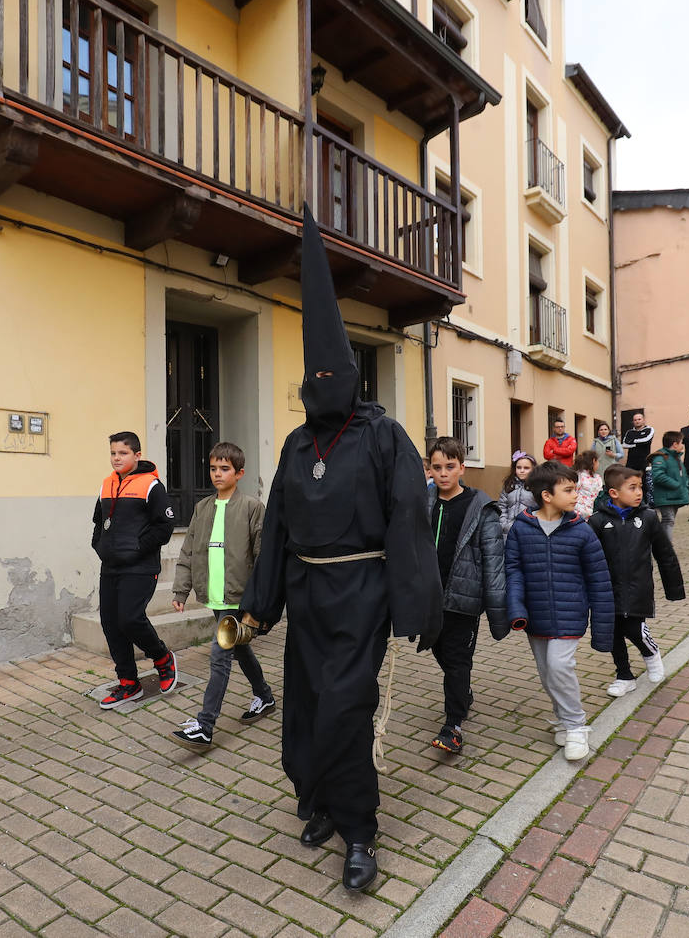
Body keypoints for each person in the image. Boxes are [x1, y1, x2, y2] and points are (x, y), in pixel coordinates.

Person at [239, 207, 442, 892]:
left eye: (333, 376)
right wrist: (258, 607)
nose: (321, 388)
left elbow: (410, 517)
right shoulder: (297, 445)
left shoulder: (384, 437)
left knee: (346, 710)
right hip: (307, 595)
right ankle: (319, 798)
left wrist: (414, 603)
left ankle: (360, 830)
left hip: (363, 595)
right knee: (303, 706)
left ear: (352, 376)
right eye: (312, 379)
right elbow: (279, 530)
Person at [505, 462, 615, 762]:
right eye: (568, 490)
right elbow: (513, 571)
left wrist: (603, 629)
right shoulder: (521, 528)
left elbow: (600, 581)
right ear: (547, 495)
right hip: (536, 616)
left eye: (575, 488)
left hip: (570, 614)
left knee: (558, 666)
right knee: (547, 673)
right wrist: (515, 607)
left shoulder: (582, 531)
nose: (575, 495)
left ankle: (577, 726)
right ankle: (562, 719)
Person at [169, 442, 273, 750]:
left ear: (239, 473)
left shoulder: (252, 507)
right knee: (239, 651)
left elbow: (261, 554)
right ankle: (265, 697)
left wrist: (259, 601)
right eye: (213, 468)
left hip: (239, 598)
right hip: (215, 596)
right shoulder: (203, 508)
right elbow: (189, 551)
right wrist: (181, 589)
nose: (217, 474)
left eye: (224, 469)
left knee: (219, 658)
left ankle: (205, 725)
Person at [425, 437, 509, 754]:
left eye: (450, 466)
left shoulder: (481, 508)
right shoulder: (424, 502)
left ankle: (453, 725)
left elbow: (494, 558)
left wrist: (497, 606)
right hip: (430, 598)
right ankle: (462, 693)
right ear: (429, 469)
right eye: (437, 467)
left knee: (458, 662)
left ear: (462, 467)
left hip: (464, 600)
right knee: (438, 649)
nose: (443, 473)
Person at [91, 431, 178, 709]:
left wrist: (137, 548)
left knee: (129, 619)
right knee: (110, 623)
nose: (117, 458)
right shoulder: (106, 485)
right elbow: (98, 522)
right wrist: (100, 546)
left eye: (123, 453)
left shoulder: (151, 486)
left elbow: (164, 527)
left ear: (137, 455)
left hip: (140, 567)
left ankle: (162, 658)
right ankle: (129, 683)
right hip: (111, 566)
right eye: (113, 453)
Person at [588, 464, 684, 697]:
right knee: (613, 634)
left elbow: (665, 554)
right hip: (607, 590)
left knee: (635, 629)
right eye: (632, 488)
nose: (639, 492)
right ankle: (624, 676)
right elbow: (588, 558)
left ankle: (651, 654)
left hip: (638, 588)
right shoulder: (597, 521)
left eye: (640, 487)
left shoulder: (649, 517)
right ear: (614, 493)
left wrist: (674, 589)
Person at [647, 432, 689, 543]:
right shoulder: (660, 457)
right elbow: (658, 476)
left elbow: (682, 475)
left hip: (674, 496)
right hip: (665, 497)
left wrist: (685, 485)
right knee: (668, 520)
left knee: (669, 521)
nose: (682, 446)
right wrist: (676, 484)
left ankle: (662, 545)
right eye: (681, 443)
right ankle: (666, 547)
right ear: (675, 444)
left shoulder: (675, 457)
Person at [497, 452, 537, 535]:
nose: (522, 471)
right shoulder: (509, 485)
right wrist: (504, 524)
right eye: (519, 467)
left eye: (526, 468)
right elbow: (502, 506)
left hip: (530, 531)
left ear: (533, 469)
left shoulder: (537, 487)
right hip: (509, 530)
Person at [572, 451, 602, 520]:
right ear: (594, 461)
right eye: (598, 461)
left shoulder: (577, 476)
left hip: (577, 511)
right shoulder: (597, 478)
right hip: (593, 511)